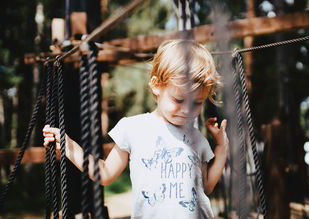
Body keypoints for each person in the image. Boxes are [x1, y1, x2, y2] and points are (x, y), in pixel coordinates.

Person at [43, 39, 229, 219]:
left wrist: (221, 146)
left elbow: (205, 187)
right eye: (178, 100)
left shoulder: (196, 136)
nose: (187, 110)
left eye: (197, 103)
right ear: (156, 85)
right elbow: (105, 174)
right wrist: (69, 145)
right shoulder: (133, 128)